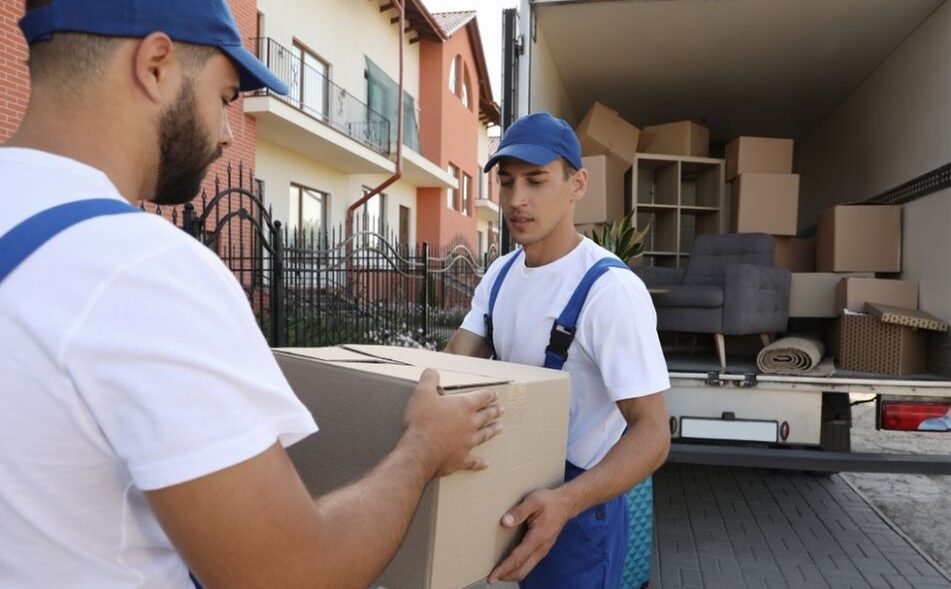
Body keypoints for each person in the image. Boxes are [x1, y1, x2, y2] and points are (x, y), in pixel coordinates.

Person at [0, 1, 503, 587]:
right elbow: (292, 573)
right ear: (156, 65)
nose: (226, 132)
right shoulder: (144, 271)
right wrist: (423, 448)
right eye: (224, 96)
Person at [445, 112, 671, 587]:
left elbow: (652, 435)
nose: (516, 199)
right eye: (506, 183)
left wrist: (566, 503)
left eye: (537, 180)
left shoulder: (609, 292)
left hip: (578, 515)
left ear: (577, 184)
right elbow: (451, 371)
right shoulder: (500, 275)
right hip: (508, 495)